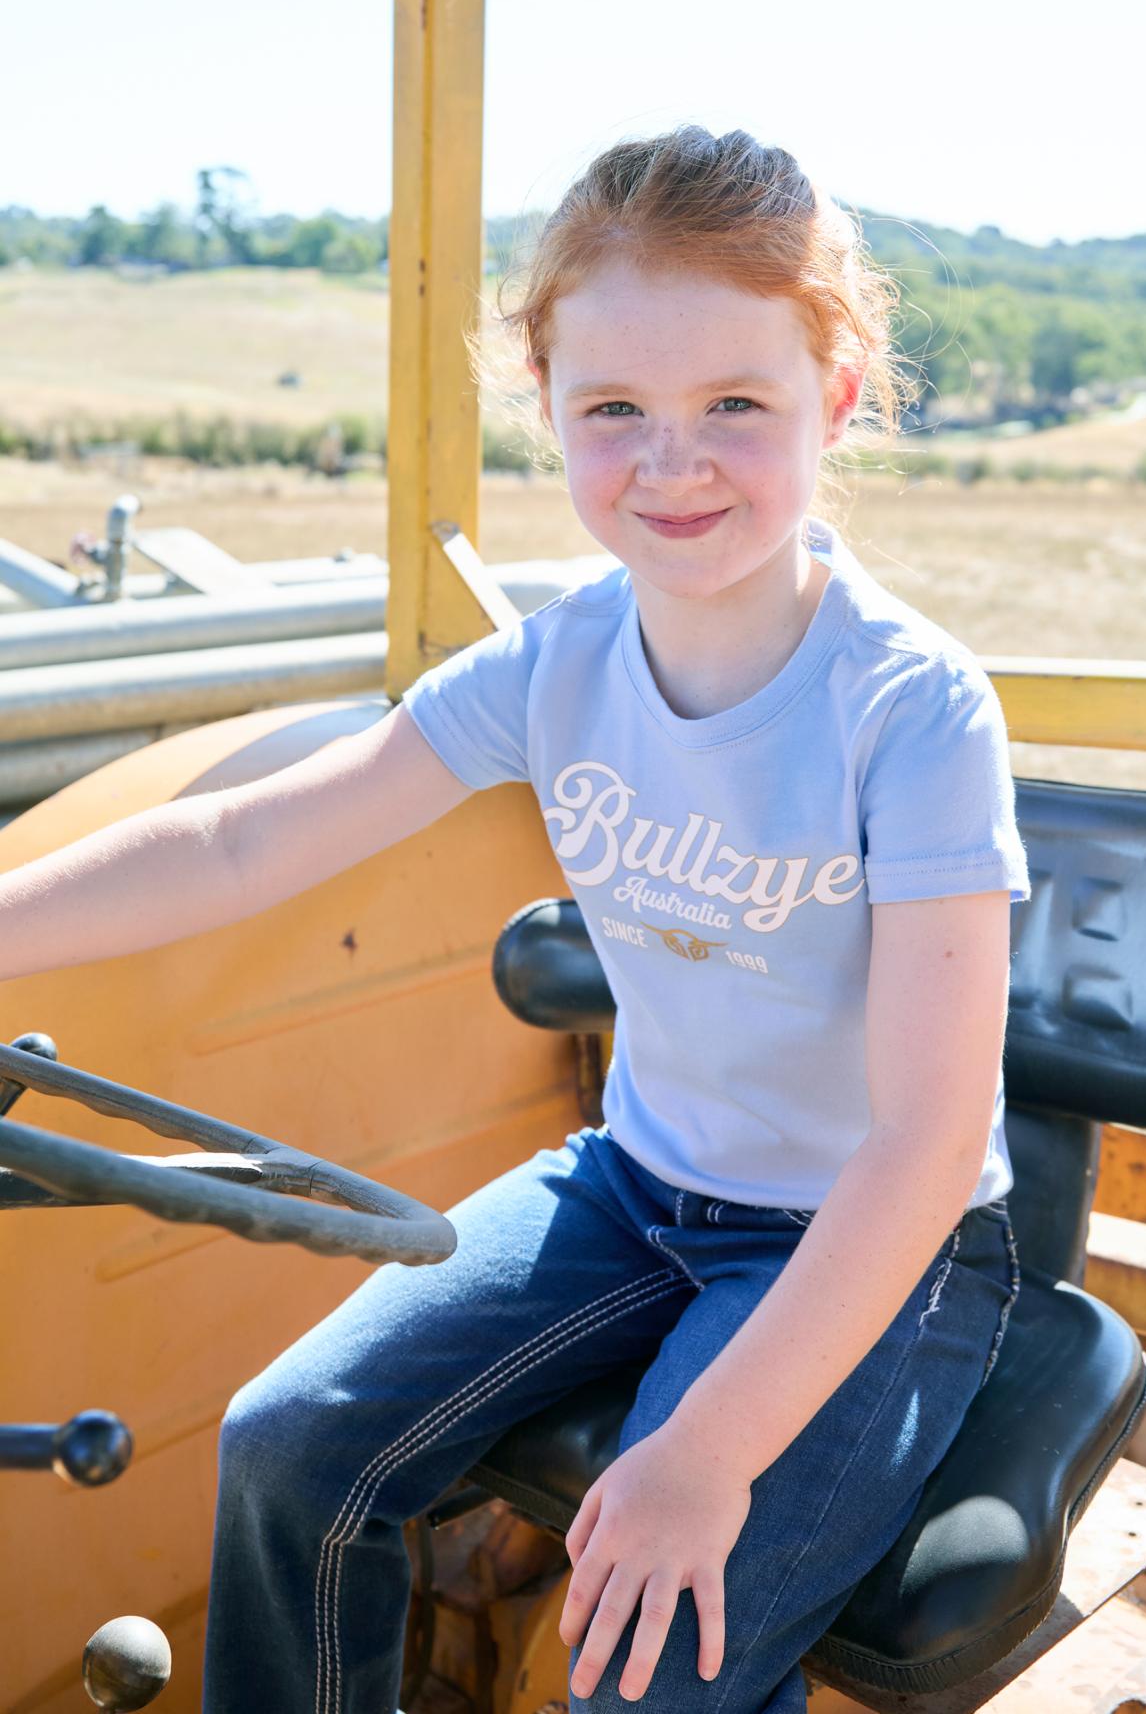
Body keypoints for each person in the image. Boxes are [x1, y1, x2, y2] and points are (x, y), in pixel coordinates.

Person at [1, 126, 1030, 1714]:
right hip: (638, 1187)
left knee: (645, 1653)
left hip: (877, 1249)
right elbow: (233, 846)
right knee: (288, 1453)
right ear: (545, 403)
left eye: (733, 408)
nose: (669, 462)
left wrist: (703, 1456)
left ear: (833, 400)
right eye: (613, 409)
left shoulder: (909, 708)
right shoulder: (557, 664)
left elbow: (923, 1144)